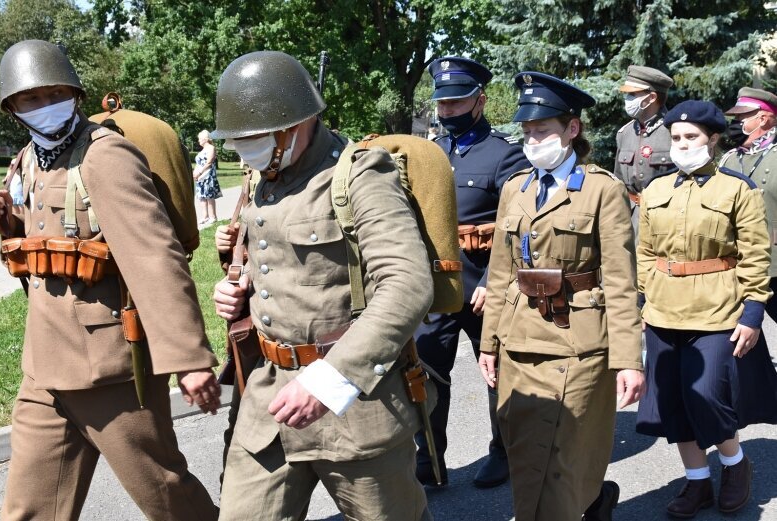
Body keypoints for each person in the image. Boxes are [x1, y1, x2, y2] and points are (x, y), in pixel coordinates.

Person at [0, 40, 220, 520]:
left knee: (167, 496)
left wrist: (189, 359)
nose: (43, 105)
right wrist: (7, 222)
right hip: (44, 368)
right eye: (30, 98)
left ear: (74, 94)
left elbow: (155, 258)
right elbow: (45, 243)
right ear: (13, 108)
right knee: (28, 509)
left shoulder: (105, 156)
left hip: (109, 370)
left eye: (54, 93)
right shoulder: (29, 160)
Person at [211, 50, 433, 521]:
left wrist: (330, 382)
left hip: (354, 403)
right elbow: (278, 263)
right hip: (269, 398)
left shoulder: (360, 175)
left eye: (254, 136)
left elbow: (407, 284)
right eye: (238, 140)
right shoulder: (261, 177)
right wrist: (238, 290)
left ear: (298, 123)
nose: (245, 149)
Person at [479, 71, 645, 521]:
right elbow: (500, 274)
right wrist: (488, 342)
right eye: (528, 132)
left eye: (543, 131)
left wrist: (629, 359)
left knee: (564, 453)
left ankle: (580, 505)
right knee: (524, 448)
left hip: (577, 341)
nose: (533, 140)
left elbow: (620, 282)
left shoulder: (602, 189)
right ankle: (588, 505)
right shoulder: (517, 187)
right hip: (518, 338)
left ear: (572, 129)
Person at [636, 100, 777, 518]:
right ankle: (696, 482)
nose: (681, 144)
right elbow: (645, 251)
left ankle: (735, 464)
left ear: (713, 139)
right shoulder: (656, 189)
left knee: (707, 396)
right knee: (674, 402)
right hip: (662, 310)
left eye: (691, 137)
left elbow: (755, 255)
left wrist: (753, 313)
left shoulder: (736, 188)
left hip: (717, 310)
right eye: (676, 137)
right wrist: (645, 296)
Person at [414, 56, 529, 488]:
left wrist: (491, 283)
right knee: (426, 374)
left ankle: (503, 450)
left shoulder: (505, 153)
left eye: (457, 104)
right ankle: (430, 457)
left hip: (483, 283)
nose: (447, 112)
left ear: (480, 101)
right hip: (438, 286)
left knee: (497, 370)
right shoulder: (429, 153)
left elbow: (515, 228)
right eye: (442, 105)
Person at [721, 87, 777, 320]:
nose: (735, 122)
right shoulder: (730, 158)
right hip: (736, 260)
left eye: (741, 117)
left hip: (773, 260)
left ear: (763, 118)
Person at [614, 65, 676, 233]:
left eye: (632, 94)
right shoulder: (625, 133)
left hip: (667, 219)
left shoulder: (675, 132)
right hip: (631, 218)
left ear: (651, 98)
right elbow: (619, 183)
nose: (627, 98)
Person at [193, 129, 222, 224]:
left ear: (205, 139)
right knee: (202, 197)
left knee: (209, 197)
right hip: (200, 177)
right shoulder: (202, 151)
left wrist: (199, 172)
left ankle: (213, 217)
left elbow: (209, 163)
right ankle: (205, 216)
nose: (198, 140)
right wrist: (194, 173)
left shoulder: (211, 148)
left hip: (208, 176)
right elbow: (198, 163)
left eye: (200, 139)